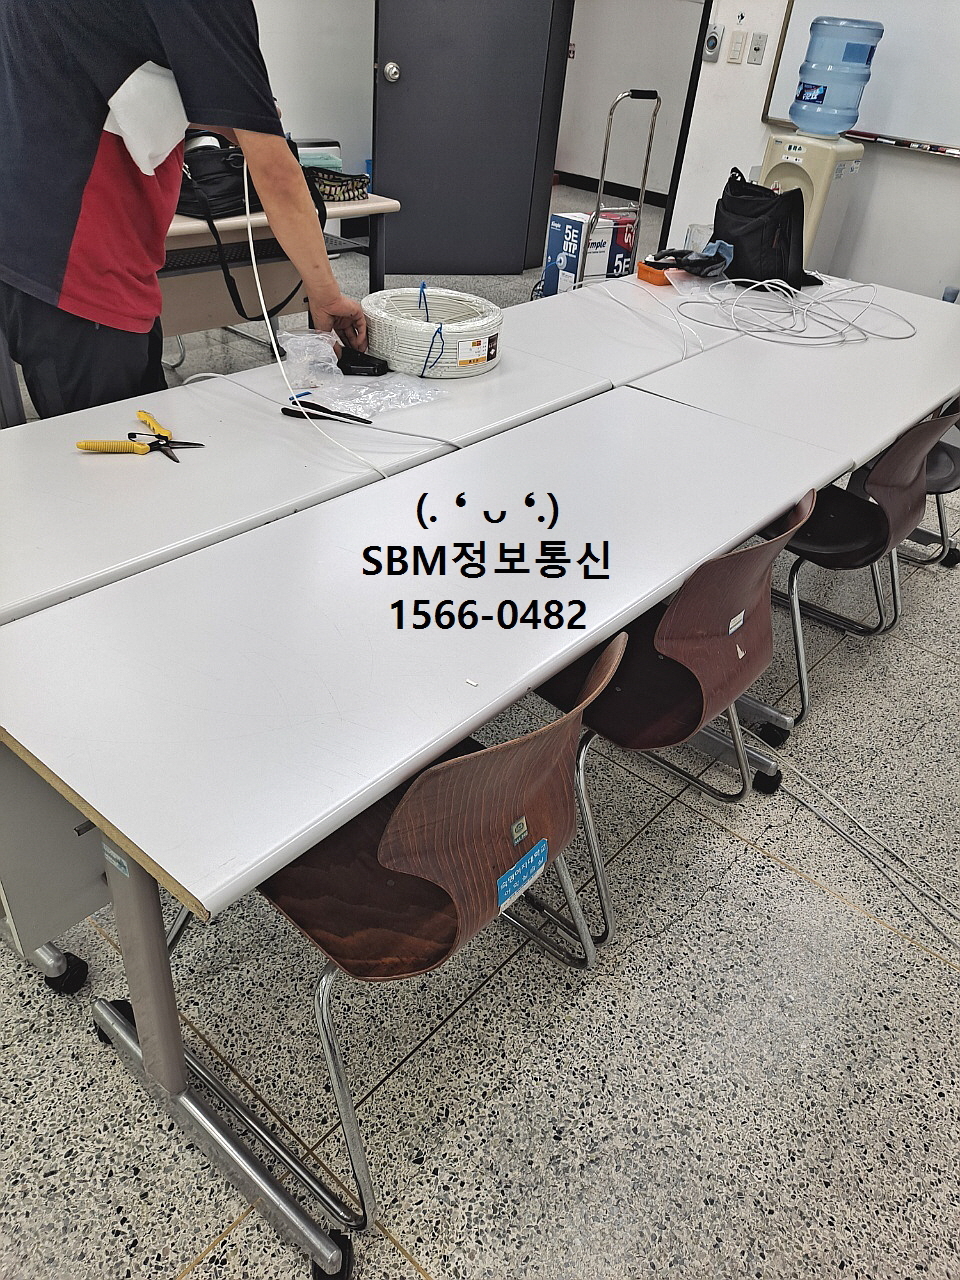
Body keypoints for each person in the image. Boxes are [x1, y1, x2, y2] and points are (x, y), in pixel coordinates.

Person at [0, 0, 366, 419]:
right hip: (78, 265)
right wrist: (326, 295)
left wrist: (237, 111)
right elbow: (276, 175)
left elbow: (105, 79)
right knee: (107, 444)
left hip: (53, 240)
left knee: (137, 428)